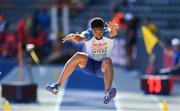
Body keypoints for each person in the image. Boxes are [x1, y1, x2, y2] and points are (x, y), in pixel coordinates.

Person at [46, 17, 119, 104]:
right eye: (96, 31)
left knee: (107, 60)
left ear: (104, 29)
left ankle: (107, 93)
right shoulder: (88, 34)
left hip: (102, 67)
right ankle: (57, 86)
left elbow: (113, 32)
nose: (98, 34)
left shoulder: (108, 33)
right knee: (79, 55)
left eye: (100, 31)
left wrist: (114, 29)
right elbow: (80, 38)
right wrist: (74, 37)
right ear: (92, 30)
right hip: (89, 65)